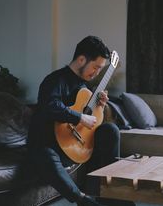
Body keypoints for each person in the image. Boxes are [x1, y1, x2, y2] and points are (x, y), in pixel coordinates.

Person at [27, 36, 120, 206]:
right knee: (43, 155)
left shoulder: (85, 86)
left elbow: (92, 120)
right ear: (81, 59)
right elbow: (50, 106)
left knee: (110, 131)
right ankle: (83, 200)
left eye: (101, 69)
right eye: (96, 67)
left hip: (78, 146)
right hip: (53, 146)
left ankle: (111, 193)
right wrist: (80, 117)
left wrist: (99, 105)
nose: (97, 73)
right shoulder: (54, 80)